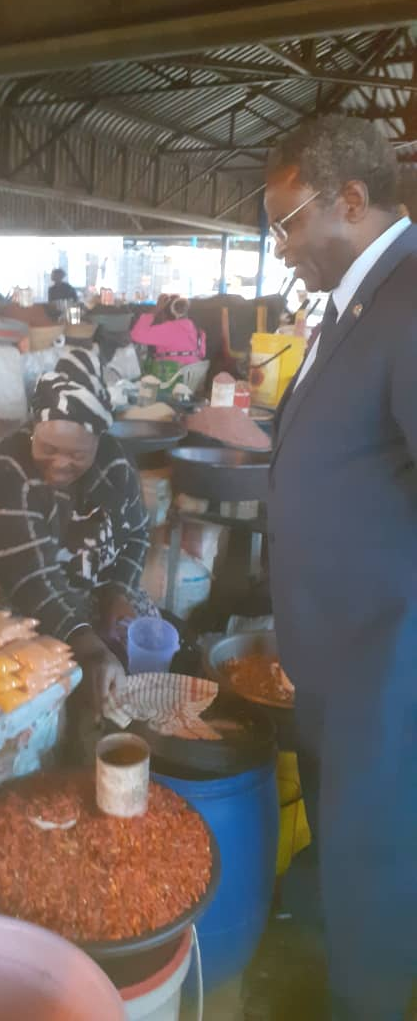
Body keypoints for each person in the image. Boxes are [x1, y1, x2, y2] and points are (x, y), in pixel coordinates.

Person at [264, 115, 416, 1020]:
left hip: (382, 653)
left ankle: (366, 998)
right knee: (340, 831)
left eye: (287, 223)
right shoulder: (358, 302)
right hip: (338, 647)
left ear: (349, 201)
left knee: (374, 847)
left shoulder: (410, 298)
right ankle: (329, 958)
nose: (281, 246)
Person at [0, 346, 155, 734]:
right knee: (28, 666)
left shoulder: (115, 462)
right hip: (13, 590)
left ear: (98, 441)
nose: (61, 463)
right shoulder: (4, 469)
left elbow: (135, 534)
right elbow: (32, 579)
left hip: (84, 581)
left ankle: (113, 726)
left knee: (143, 632)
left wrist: (118, 593)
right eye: (48, 448)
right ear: (33, 430)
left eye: (77, 454)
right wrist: (88, 645)